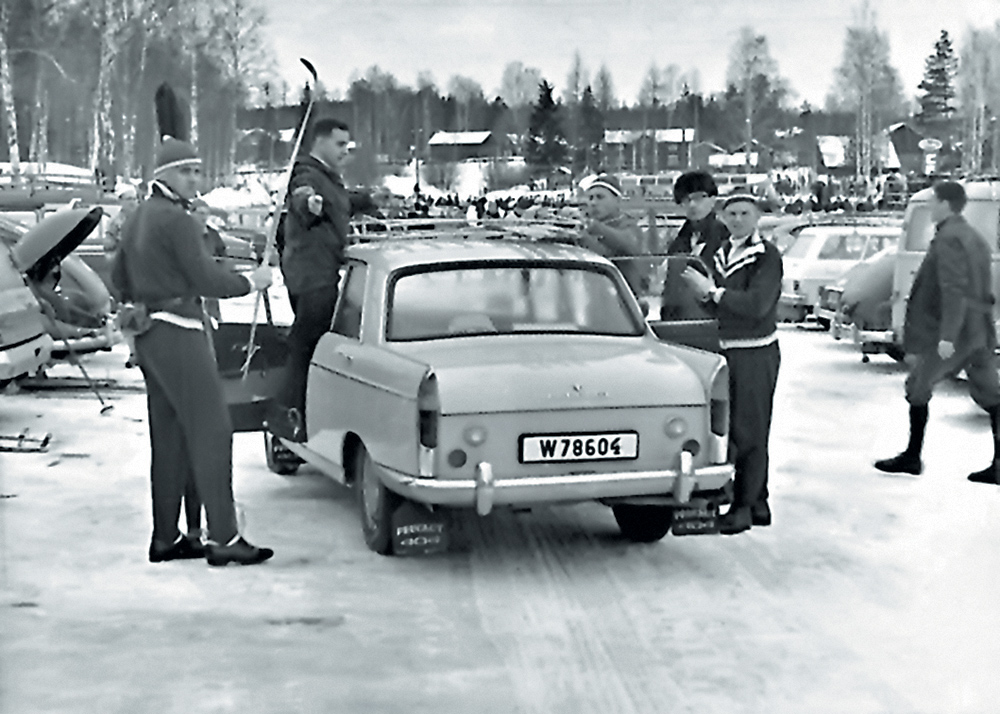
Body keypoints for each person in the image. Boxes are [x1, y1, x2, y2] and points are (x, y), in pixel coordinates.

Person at [111, 137, 275, 565]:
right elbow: (205, 279)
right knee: (211, 431)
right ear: (163, 175)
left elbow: (118, 277)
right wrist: (249, 282)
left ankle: (166, 536)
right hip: (180, 331)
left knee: (168, 439)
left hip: (148, 335)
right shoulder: (179, 220)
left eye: (198, 171)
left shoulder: (137, 217)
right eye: (186, 171)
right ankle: (223, 537)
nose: (195, 180)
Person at [874, 181, 1000, 484]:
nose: (930, 206)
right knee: (991, 390)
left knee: (917, 387)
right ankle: (999, 463)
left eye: (933, 201)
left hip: (956, 330)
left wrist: (946, 336)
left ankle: (912, 456)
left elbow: (953, 290)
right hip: (978, 328)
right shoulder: (974, 237)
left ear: (945, 204)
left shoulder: (949, 239)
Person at [681, 193, 783, 534]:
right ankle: (756, 500)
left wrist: (712, 293)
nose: (738, 219)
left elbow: (756, 305)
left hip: (755, 350)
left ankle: (742, 507)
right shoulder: (719, 253)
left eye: (745, 213)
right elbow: (716, 309)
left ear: (757, 217)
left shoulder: (766, 256)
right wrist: (705, 296)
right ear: (723, 217)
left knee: (750, 430)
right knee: (735, 427)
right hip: (727, 349)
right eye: (732, 213)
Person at [268, 118, 375, 442]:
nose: (346, 151)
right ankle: (287, 416)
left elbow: (336, 205)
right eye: (340, 145)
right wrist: (308, 203)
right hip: (311, 273)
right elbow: (303, 195)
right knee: (307, 346)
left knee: (312, 343)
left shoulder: (330, 179)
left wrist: (363, 200)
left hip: (319, 270)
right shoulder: (308, 172)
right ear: (321, 143)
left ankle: (299, 413)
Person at [662, 170, 729, 319]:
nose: (692, 205)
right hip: (678, 323)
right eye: (685, 199)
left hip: (714, 323)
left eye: (699, 198)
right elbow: (670, 288)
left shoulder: (726, 237)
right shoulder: (679, 240)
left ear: (713, 199)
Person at [577, 173, 644, 294]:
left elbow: (629, 245)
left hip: (621, 301)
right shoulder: (583, 228)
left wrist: (592, 226)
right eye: (590, 198)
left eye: (600, 197)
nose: (593, 203)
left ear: (617, 200)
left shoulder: (629, 226)